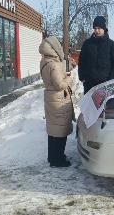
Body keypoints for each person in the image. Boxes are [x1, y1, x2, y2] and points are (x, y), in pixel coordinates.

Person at [39, 36, 74, 167]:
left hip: (50, 97)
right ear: (54, 48)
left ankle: (52, 157)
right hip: (58, 98)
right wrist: (69, 80)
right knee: (60, 130)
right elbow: (59, 84)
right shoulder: (53, 64)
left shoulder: (44, 61)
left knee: (53, 130)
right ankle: (58, 160)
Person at [78, 15, 114, 94]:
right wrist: (82, 77)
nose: (97, 31)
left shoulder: (111, 44)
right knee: (88, 106)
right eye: (95, 28)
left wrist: (110, 80)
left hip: (105, 85)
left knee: (103, 106)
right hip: (89, 84)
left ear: (104, 29)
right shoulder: (87, 44)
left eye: (99, 28)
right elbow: (81, 62)